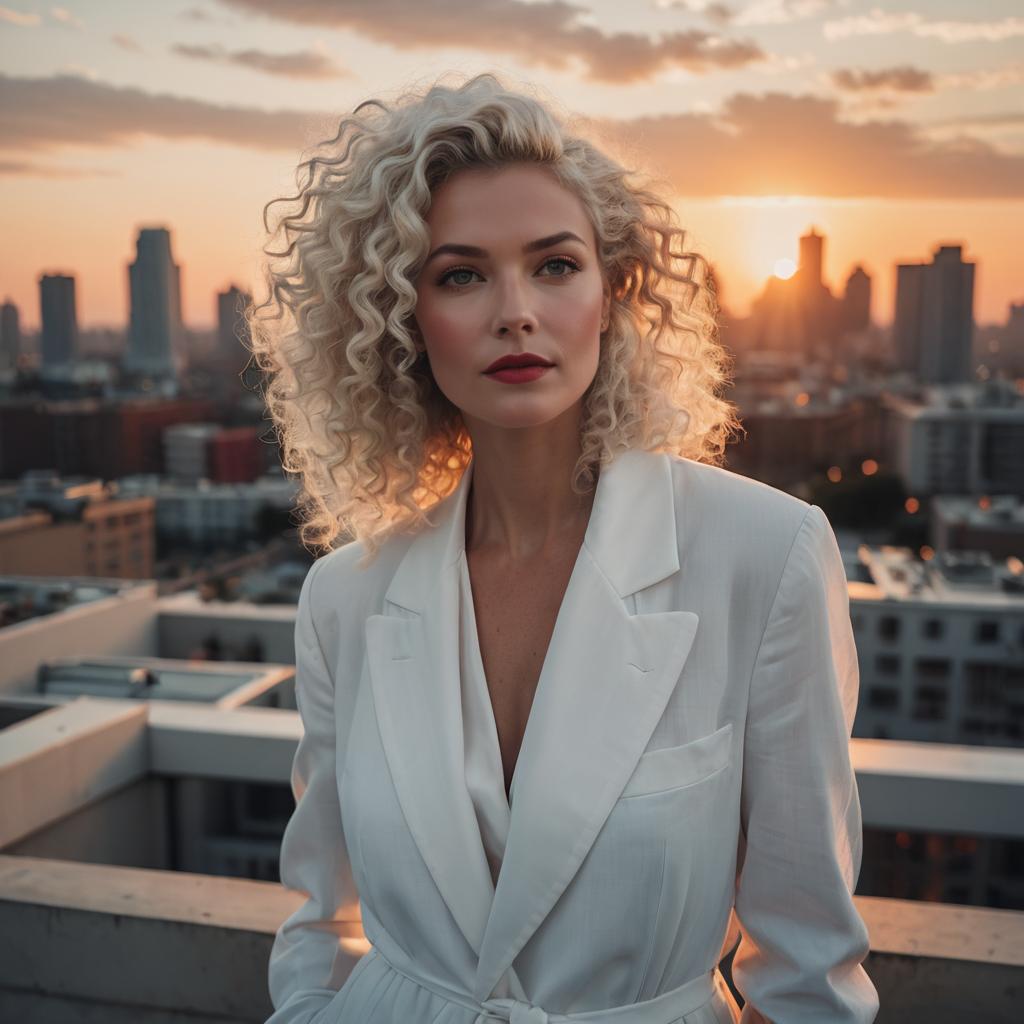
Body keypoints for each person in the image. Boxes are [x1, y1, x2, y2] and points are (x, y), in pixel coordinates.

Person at [248, 72, 879, 1024]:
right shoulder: (346, 597)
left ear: (612, 293)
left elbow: (806, 971)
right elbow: (321, 922)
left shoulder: (767, 553)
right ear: (401, 321)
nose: (516, 312)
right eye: (461, 274)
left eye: (554, 265)